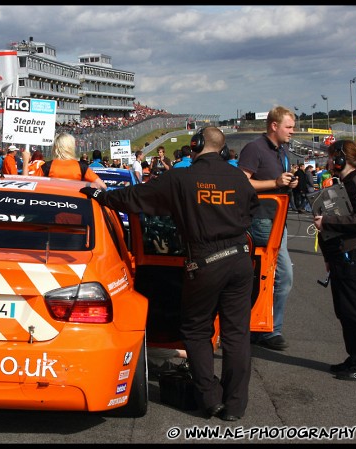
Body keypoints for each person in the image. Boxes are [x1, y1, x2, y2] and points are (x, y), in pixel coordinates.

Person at [80, 126, 259, 421]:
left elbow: (135, 198)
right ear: (224, 150)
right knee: (236, 334)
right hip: (240, 259)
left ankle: (210, 397)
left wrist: (102, 196)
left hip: (205, 260)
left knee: (196, 329)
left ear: (196, 144)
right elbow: (253, 210)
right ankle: (236, 405)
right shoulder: (238, 177)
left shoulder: (182, 177)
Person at [313, 140, 356, 382]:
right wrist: (330, 256)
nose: (329, 162)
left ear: (342, 158)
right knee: (345, 311)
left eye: (331, 157)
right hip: (343, 255)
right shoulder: (346, 183)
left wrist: (327, 222)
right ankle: (355, 358)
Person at [237, 105, 298, 351]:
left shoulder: (282, 150)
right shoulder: (254, 148)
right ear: (274, 126)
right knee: (283, 275)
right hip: (261, 220)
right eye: (289, 127)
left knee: (268, 276)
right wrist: (274, 182)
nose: (293, 131)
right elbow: (241, 183)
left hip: (278, 220)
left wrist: (289, 183)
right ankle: (269, 329)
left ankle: (259, 326)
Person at [38, 132, 106, 189]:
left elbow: (29, 184)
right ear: (71, 147)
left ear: (55, 148)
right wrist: (86, 186)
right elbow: (103, 186)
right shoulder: (81, 166)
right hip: (76, 202)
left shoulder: (46, 166)